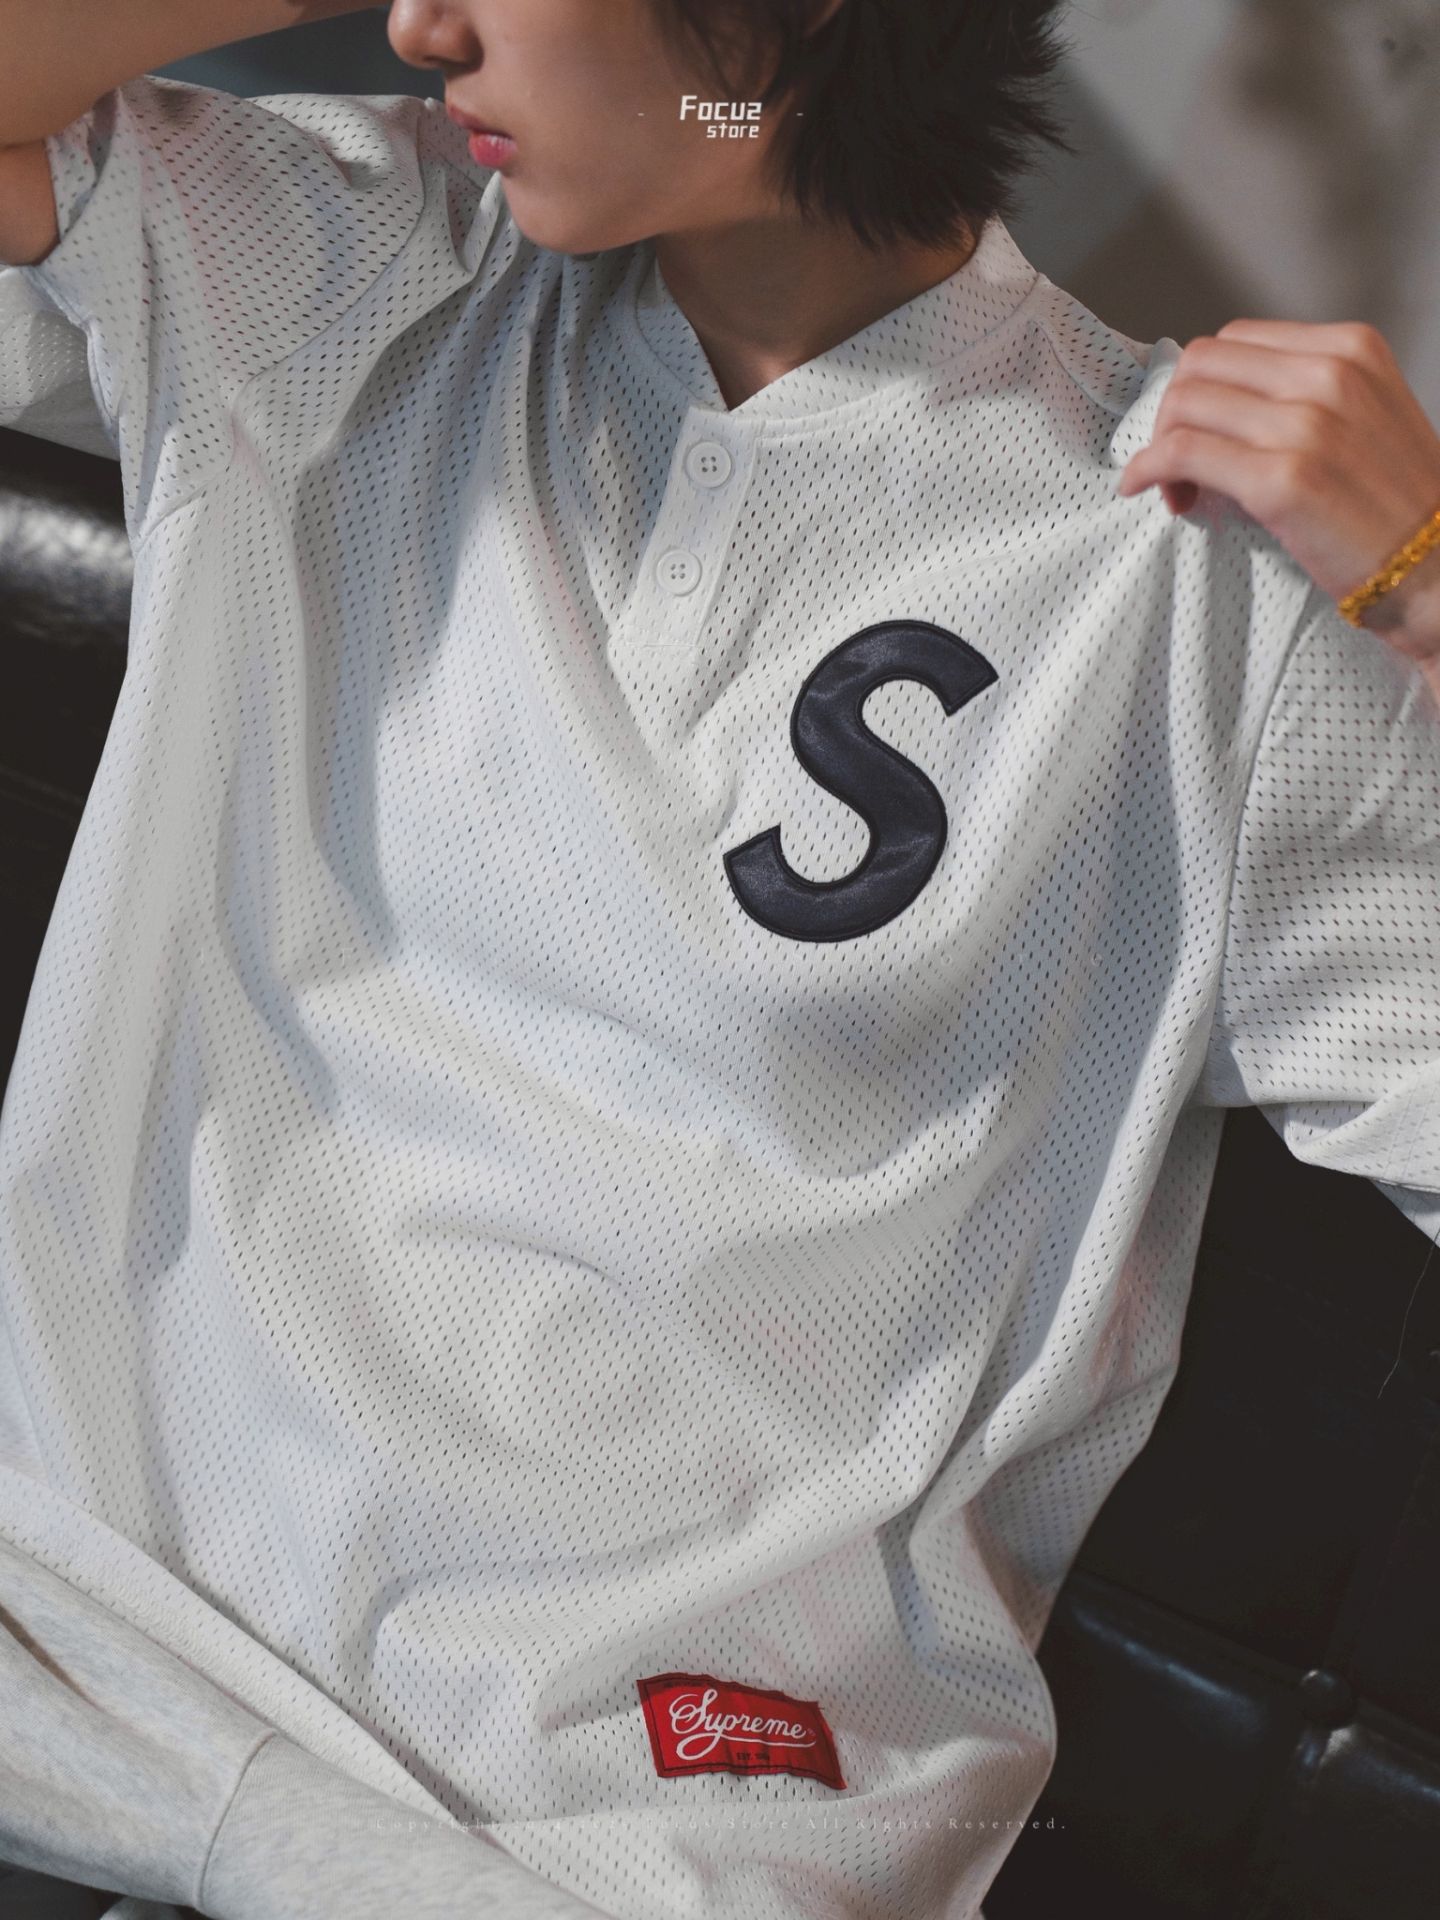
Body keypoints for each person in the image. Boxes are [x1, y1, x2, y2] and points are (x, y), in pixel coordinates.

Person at [1, 3, 1437, 1917]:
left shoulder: (1191, 590)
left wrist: (1436, 604)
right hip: (74, 1660)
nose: (420, 23)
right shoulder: (347, 265)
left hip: (637, 1840)